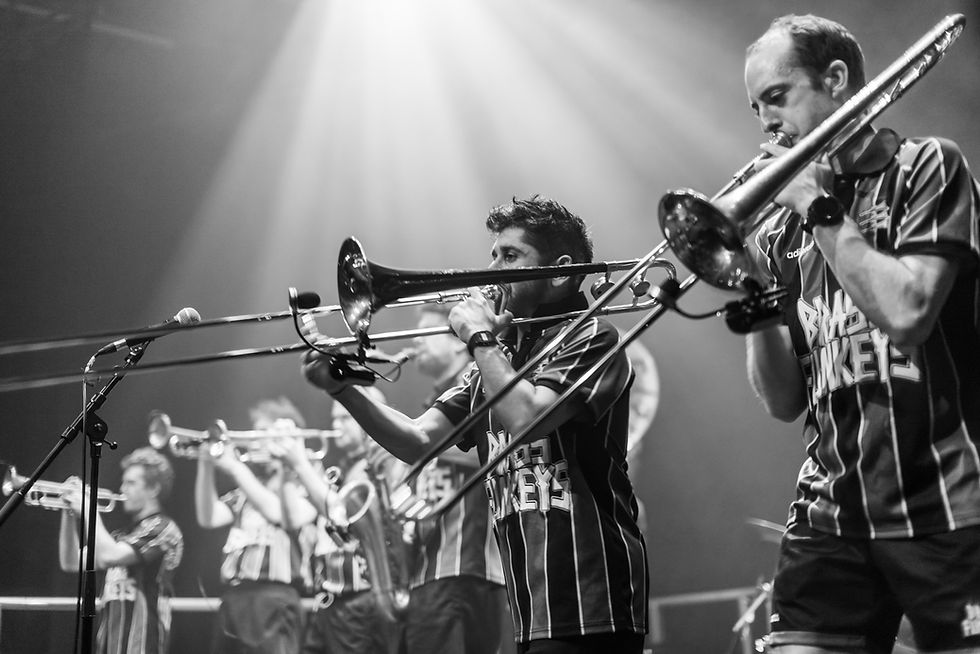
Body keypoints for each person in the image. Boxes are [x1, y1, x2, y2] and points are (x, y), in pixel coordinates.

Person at [302, 196, 649, 654]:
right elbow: (416, 441)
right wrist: (342, 388)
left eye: (510, 256)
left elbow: (528, 418)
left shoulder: (595, 336)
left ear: (560, 271)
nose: (491, 270)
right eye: (493, 255)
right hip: (530, 604)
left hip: (594, 598)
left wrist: (480, 338)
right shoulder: (494, 362)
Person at [742, 14, 980, 654]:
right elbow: (786, 401)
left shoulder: (927, 166)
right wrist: (753, 294)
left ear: (836, 79)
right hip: (828, 513)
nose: (765, 121)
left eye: (777, 95)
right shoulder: (779, 234)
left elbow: (907, 315)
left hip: (945, 503)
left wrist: (820, 209)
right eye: (755, 106)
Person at [404, 303, 511, 654]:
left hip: (467, 570)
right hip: (432, 571)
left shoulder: (483, 379)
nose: (414, 342)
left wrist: (391, 446)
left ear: (455, 343)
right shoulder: (436, 398)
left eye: (424, 334)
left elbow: (489, 447)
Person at [273, 386, 403, 654]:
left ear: (370, 418)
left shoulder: (379, 464)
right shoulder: (345, 467)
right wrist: (290, 471)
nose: (336, 425)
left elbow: (341, 513)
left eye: (345, 418)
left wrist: (299, 463)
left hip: (360, 600)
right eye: (334, 418)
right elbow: (293, 520)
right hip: (331, 604)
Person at [195, 397, 318, 654]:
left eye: (261, 432)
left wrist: (236, 468)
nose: (252, 438)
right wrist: (205, 464)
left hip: (273, 599)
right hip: (233, 597)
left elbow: (279, 514)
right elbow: (208, 517)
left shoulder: (304, 480)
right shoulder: (249, 489)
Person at [59, 447, 184, 654]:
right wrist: (68, 512)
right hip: (108, 643)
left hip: (144, 643)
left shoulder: (163, 528)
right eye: (124, 481)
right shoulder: (119, 536)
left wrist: (89, 510)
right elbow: (71, 562)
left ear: (153, 489)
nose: (122, 488)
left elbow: (110, 556)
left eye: (131, 483)